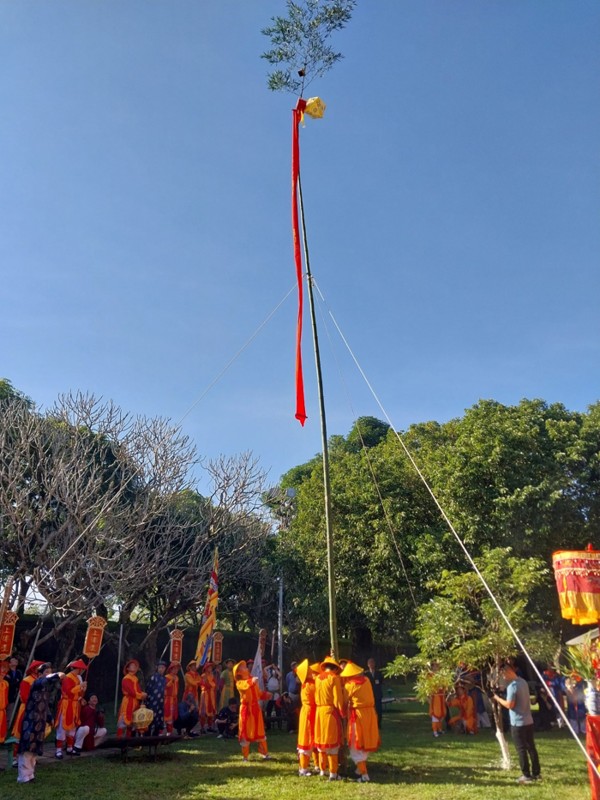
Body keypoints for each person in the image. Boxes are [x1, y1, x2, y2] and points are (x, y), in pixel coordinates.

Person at [493, 662, 541, 784]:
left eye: (503, 675)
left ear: (508, 672)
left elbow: (510, 705)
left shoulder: (512, 686)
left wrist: (497, 698)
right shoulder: (523, 682)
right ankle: (536, 773)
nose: (503, 677)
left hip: (518, 722)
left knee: (521, 749)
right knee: (531, 747)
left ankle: (526, 775)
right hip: (528, 720)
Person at [17, 664, 64, 784]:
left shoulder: (46, 688)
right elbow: (49, 679)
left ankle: (30, 774)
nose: (48, 673)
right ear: (40, 674)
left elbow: (46, 704)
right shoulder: (37, 683)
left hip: (40, 720)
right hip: (31, 719)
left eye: (50, 671)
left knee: (35, 748)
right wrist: (57, 674)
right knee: (27, 747)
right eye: (46, 671)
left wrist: (49, 717)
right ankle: (23, 777)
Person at [341, 661, 381, 783]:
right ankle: (359, 770)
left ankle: (364, 775)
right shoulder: (367, 681)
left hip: (357, 716)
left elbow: (344, 700)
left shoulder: (349, 685)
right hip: (370, 715)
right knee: (366, 741)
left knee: (355, 743)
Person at [313, 656, 346, 781]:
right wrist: (342, 712)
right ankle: (333, 773)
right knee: (333, 744)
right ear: (335, 669)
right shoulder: (334, 678)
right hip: (330, 712)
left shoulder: (317, 679)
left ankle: (322, 770)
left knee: (321, 743)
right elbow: (337, 698)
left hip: (319, 712)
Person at [234, 659, 271, 761]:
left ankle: (265, 753)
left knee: (260, 730)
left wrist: (265, 695)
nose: (246, 668)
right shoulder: (239, 682)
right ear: (239, 672)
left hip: (255, 709)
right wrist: (252, 681)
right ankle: (245, 757)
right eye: (244, 667)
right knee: (245, 731)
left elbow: (258, 693)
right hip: (246, 710)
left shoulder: (252, 680)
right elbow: (245, 686)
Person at [11, 660, 46, 767]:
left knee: (33, 733)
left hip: (37, 710)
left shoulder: (40, 680)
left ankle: (30, 757)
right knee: (20, 732)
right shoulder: (27, 680)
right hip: (26, 708)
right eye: (38, 668)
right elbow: (25, 697)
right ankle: (15, 758)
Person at [55, 658, 87, 758]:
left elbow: (79, 693)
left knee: (72, 727)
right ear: (78, 669)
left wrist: (83, 690)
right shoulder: (68, 677)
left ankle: (69, 747)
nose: (82, 671)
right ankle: (58, 750)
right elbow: (69, 691)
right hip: (67, 704)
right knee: (62, 727)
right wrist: (80, 687)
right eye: (81, 669)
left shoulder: (78, 678)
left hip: (74, 705)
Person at [296, 658, 317, 777]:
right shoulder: (309, 685)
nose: (311, 669)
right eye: (309, 669)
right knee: (307, 739)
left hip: (309, 712)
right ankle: (303, 768)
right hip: (309, 713)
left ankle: (315, 765)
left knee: (312, 738)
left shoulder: (308, 683)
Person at [117, 658, 147, 738]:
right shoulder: (126, 678)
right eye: (132, 666)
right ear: (128, 668)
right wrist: (141, 695)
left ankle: (128, 740)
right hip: (128, 701)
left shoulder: (135, 678)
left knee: (132, 721)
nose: (134, 667)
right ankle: (119, 740)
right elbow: (131, 692)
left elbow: (137, 690)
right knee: (124, 720)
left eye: (135, 666)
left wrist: (142, 694)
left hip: (135, 701)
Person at [146, 661, 167, 736]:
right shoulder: (153, 677)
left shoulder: (164, 679)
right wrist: (147, 699)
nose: (161, 669)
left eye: (163, 668)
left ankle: (156, 736)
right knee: (150, 718)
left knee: (159, 718)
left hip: (160, 702)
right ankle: (147, 736)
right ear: (157, 668)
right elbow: (148, 688)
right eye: (160, 667)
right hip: (152, 700)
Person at [365, 657, 384, 728]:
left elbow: (381, 681)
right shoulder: (366, 674)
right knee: (371, 710)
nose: (371, 664)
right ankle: (371, 724)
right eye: (370, 663)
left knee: (379, 709)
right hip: (369, 694)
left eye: (372, 663)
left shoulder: (379, 673)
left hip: (378, 694)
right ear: (368, 665)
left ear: (374, 664)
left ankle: (378, 724)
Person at [263, 662, 282, 730]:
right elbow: (264, 669)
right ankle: (268, 726)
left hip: (276, 695)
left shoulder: (278, 677)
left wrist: (275, 668)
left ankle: (279, 726)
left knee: (278, 711)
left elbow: (280, 675)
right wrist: (271, 665)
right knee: (268, 710)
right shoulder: (268, 676)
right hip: (270, 695)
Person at [199, 662, 217, 732]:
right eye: (209, 667)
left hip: (211, 694)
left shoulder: (212, 676)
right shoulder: (203, 676)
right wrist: (210, 684)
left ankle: (210, 726)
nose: (210, 669)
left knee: (211, 710)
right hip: (205, 694)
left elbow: (214, 684)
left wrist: (210, 685)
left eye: (211, 667)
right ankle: (202, 727)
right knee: (203, 711)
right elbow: (205, 684)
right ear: (206, 668)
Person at [164, 662, 180, 735]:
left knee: (173, 714)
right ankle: (167, 732)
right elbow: (166, 686)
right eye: (174, 668)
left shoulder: (177, 678)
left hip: (174, 698)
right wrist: (172, 680)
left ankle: (170, 731)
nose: (176, 670)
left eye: (177, 669)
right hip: (168, 698)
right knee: (168, 714)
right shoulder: (167, 677)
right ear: (171, 669)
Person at [5, 655, 22, 722]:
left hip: (13, 695)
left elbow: (19, 683)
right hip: (5, 693)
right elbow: (8, 682)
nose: (16, 660)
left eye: (16, 660)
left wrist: (13, 681)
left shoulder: (19, 673)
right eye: (14, 660)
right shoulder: (6, 671)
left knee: (9, 712)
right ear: (10, 663)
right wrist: (15, 681)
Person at [0, 660, 9, 744]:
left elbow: (6, 698)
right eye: (2, 669)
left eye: (5, 670)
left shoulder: (6, 683)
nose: (3, 672)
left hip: (2, 711)